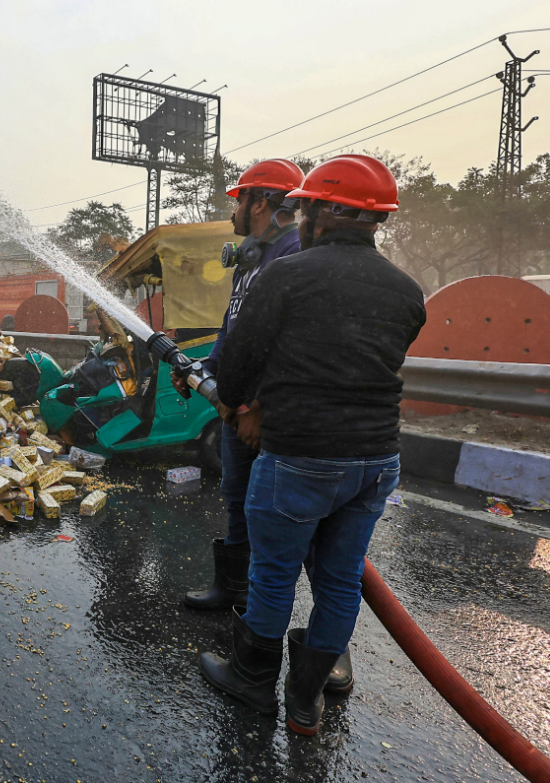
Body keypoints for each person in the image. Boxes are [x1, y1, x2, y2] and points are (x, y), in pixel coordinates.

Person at [198, 155, 427, 736]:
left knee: (274, 575)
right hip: (377, 460)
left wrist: (236, 401)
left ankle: (252, 682)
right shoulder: (406, 290)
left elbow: (239, 368)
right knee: (341, 578)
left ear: (323, 212)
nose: (296, 217)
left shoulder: (287, 275)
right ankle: (306, 703)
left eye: (302, 206)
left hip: (301, 455)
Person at [181, 159, 304, 612]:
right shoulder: (251, 258)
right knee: (237, 500)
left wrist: (258, 405)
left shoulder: (291, 258)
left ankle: (263, 609)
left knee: (272, 515)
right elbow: (232, 329)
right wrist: (205, 367)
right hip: (235, 410)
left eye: (239, 199)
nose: (233, 209)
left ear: (261, 202)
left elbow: (289, 345)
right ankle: (231, 590)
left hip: (262, 415)